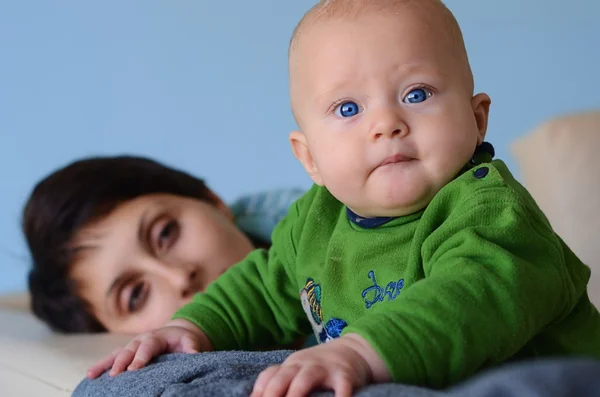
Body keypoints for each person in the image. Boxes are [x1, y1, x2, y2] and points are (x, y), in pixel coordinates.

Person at [88, 0, 600, 396]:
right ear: (308, 158)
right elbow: (263, 288)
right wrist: (189, 328)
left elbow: (472, 297)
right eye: (348, 108)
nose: (386, 124)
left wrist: (357, 352)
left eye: (416, 94)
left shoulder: (491, 210)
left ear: (477, 118)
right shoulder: (314, 220)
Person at [23, 155, 303, 334]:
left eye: (166, 233)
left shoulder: (325, 219)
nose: (180, 277)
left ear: (213, 202)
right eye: (135, 295)